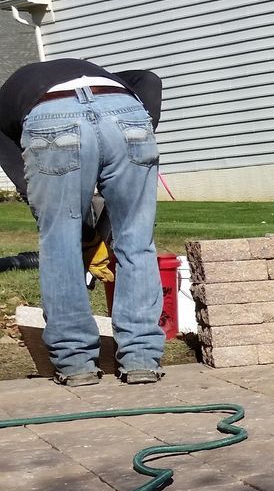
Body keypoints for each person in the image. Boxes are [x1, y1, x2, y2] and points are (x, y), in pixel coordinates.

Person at [0, 60, 164, 386]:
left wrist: (79, 233)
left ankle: (76, 362)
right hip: (127, 113)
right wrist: (142, 134)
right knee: (136, 238)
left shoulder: (5, 105)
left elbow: (27, 185)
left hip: (50, 118)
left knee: (59, 242)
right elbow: (150, 79)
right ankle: (141, 357)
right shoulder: (112, 75)